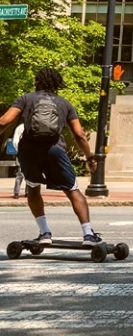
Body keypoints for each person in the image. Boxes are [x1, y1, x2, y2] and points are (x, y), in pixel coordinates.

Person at [0, 68, 102, 246]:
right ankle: (88, 234)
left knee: (33, 187)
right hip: (55, 150)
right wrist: (89, 157)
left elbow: (4, 121)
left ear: (37, 82)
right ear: (57, 85)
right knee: (72, 190)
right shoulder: (65, 104)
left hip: (29, 150)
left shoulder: (26, 98)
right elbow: (79, 135)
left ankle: (45, 233)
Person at [7, 123, 24, 199]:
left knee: (29, 174)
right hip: (22, 152)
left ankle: (27, 192)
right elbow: (15, 141)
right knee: (21, 174)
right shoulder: (20, 127)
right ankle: (17, 192)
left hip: (27, 152)